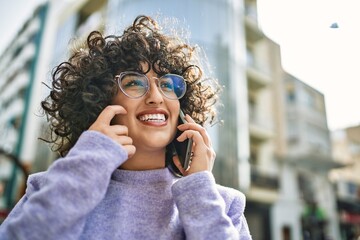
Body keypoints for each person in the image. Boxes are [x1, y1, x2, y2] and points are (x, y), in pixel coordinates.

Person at [0, 15, 252, 239]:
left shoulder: (223, 204)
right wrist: (88, 163)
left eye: (168, 85)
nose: (156, 96)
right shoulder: (50, 189)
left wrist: (199, 188)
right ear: (100, 100)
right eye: (134, 82)